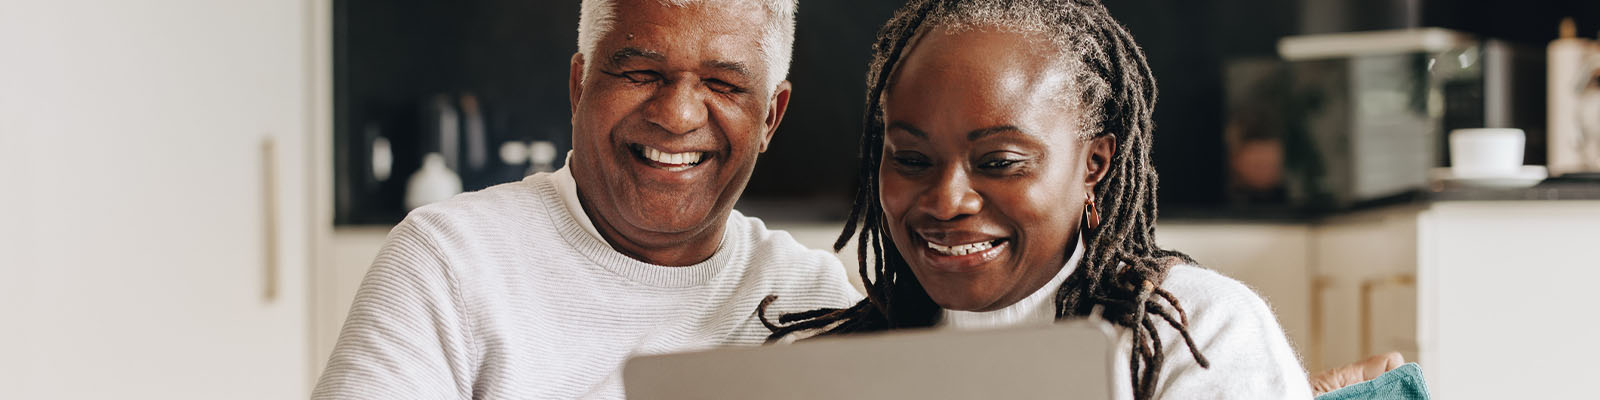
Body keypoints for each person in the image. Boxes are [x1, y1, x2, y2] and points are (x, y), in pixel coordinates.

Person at [761, 0, 1311, 398]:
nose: (947, 200)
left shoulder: (1195, 331)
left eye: (999, 163)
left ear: (1094, 164)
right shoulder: (825, 362)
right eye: (911, 160)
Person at [313, 0, 858, 398]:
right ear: (579, 87)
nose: (678, 115)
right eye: (641, 73)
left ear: (770, 117)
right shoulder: (446, 260)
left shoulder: (811, 296)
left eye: (723, 85)